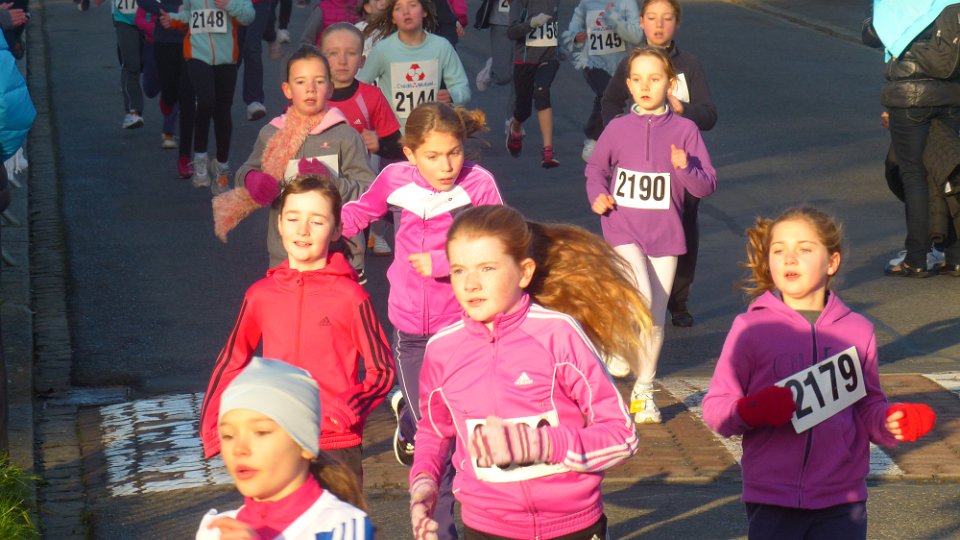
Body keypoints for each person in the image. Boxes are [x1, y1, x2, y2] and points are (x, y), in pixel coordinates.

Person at [409, 205, 645, 540]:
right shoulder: (442, 350)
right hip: (486, 527)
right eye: (459, 270)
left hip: (573, 526)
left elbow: (621, 435)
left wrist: (542, 444)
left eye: (487, 268)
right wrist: (423, 482)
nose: (471, 284)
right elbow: (433, 432)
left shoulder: (558, 334)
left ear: (524, 272)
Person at [701, 207, 937, 540]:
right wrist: (750, 410)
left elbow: (867, 406)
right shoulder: (750, 329)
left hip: (843, 497)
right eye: (779, 250)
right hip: (773, 496)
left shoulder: (858, 330)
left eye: (804, 249)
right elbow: (716, 407)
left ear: (832, 262)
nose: (790, 258)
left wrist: (892, 421)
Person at [339, 103, 503, 540]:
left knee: (459, 435)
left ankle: (411, 423)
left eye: (454, 153)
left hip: (465, 330)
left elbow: (503, 241)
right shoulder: (394, 180)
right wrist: (319, 226)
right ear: (410, 154)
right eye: (433, 156)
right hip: (411, 332)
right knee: (438, 440)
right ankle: (441, 531)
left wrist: (446, 263)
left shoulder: (478, 184)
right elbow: (358, 213)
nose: (446, 166)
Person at [201, 174, 396, 481]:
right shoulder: (260, 295)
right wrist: (212, 426)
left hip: (336, 445)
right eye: (293, 219)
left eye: (317, 221)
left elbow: (382, 370)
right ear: (279, 224)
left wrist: (346, 409)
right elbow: (231, 360)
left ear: (337, 229)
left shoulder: (351, 297)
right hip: (276, 440)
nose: (303, 230)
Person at [585, 47, 716, 423]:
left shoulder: (685, 131)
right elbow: (595, 170)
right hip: (622, 227)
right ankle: (617, 340)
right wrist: (598, 196)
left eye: (654, 79)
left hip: (666, 235)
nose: (645, 86)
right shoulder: (617, 128)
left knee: (656, 318)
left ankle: (643, 392)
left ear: (670, 84)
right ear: (628, 85)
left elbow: (706, 185)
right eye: (638, 79)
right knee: (639, 294)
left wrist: (686, 167)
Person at [600, 0, 717, 328]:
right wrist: (618, 133)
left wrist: (684, 111)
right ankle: (635, 298)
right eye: (652, 18)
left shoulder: (689, 65)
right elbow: (610, 100)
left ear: (677, 24)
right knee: (633, 234)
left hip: (680, 165)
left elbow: (709, 115)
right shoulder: (632, 63)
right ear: (641, 22)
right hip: (641, 167)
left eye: (667, 18)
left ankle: (678, 301)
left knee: (683, 232)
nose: (659, 25)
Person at [213, 45, 374, 278]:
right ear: (287, 90)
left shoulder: (345, 135)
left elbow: (369, 192)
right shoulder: (272, 133)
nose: (310, 89)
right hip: (286, 254)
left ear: (330, 88)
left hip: (339, 254)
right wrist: (253, 179)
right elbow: (245, 172)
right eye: (300, 82)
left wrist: (332, 182)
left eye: (319, 81)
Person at [197, 357, 374, 539]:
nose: (239, 449)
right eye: (228, 436)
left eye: (261, 432)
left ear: (305, 444)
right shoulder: (215, 530)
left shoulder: (343, 525)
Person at [864, 0, 960, 277]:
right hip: (950, 94)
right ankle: (954, 256)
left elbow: (871, 34)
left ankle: (917, 257)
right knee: (945, 172)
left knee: (914, 175)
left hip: (907, 97)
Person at [321, 23, 404, 257]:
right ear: (321, 58)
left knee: (352, 261)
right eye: (333, 53)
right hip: (316, 191)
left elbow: (399, 147)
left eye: (351, 53)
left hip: (357, 195)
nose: (342, 61)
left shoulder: (371, 96)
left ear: (362, 61)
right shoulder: (310, 95)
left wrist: (380, 144)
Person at [159, 0, 254, 193]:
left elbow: (248, 16)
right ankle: (200, 159)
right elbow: (188, 14)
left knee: (222, 112)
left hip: (226, 57)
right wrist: (174, 19)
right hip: (197, 54)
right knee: (206, 101)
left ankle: (222, 167)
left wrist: (229, 5)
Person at [357, 0, 471, 131]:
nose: (406, 12)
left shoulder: (442, 46)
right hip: (393, 135)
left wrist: (452, 95)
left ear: (424, 11)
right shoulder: (382, 50)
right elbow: (359, 88)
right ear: (393, 17)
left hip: (432, 133)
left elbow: (462, 88)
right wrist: (370, 119)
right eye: (398, 8)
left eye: (412, 5)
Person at [561, 0, 642, 162]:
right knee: (606, 92)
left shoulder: (627, 3)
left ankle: (620, 142)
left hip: (621, 64)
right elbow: (572, 30)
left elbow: (636, 36)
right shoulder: (586, 3)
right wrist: (576, 37)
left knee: (618, 101)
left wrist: (614, 18)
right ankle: (593, 138)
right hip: (592, 62)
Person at [137, 0, 197, 178]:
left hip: (192, 39)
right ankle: (167, 100)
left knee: (187, 99)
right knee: (170, 95)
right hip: (165, 40)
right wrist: (171, 11)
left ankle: (185, 158)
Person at [504, 0, 560, 167]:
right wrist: (531, 24)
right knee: (523, 110)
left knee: (542, 92)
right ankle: (515, 129)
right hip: (525, 61)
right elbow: (511, 33)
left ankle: (548, 151)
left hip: (549, 58)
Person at [97, 0, 146, 129]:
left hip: (151, 16)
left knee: (157, 66)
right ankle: (133, 112)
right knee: (131, 64)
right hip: (124, 18)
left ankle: (180, 99)